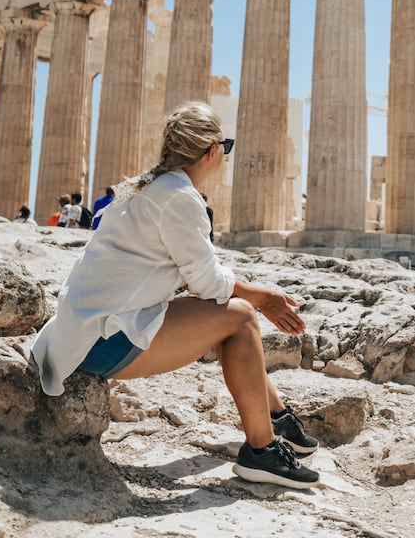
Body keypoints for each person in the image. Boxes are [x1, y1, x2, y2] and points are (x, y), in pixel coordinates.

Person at [30, 101, 320, 488]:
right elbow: (208, 284)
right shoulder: (180, 197)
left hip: (81, 332)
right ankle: (263, 450)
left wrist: (248, 294)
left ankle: (277, 419)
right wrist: (264, 298)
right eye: (226, 148)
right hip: (100, 343)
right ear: (212, 151)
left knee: (232, 312)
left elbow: (189, 275)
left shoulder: (143, 185)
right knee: (240, 317)